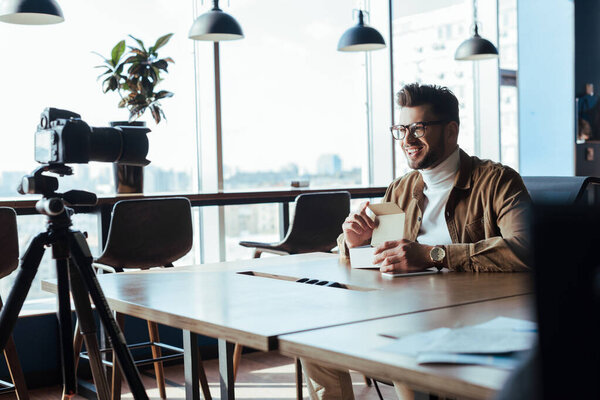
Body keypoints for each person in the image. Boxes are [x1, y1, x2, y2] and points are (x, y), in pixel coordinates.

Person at [301, 83, 532, 400]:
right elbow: (376, 256)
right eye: (401, 129)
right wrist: (353, 243)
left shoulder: (497, 181)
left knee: (404, 350)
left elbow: (527, 249)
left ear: (451, 131)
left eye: (418, 129)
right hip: (403, 311)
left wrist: (433, 255)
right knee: (313, 342)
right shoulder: (400, 189)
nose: (407, 140)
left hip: (473, 318)